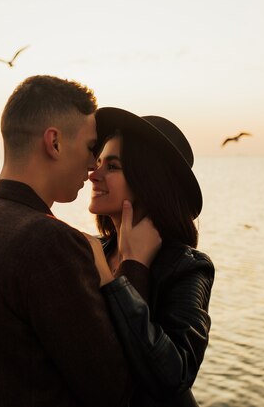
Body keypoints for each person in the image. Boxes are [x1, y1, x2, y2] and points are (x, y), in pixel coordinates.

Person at [0, 76, 161, 407]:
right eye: (90, 147)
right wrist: (134, 269)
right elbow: (118, 390)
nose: (91, 166)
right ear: (54, 142)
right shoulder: (50, 244)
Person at [88, 107, 215, 407]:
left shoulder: (188, 267)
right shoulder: (91, 250)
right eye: (98, 162)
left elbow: (174, 376)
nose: (94, 174)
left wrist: (133, 270)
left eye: (113, 166)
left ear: (147, 180)